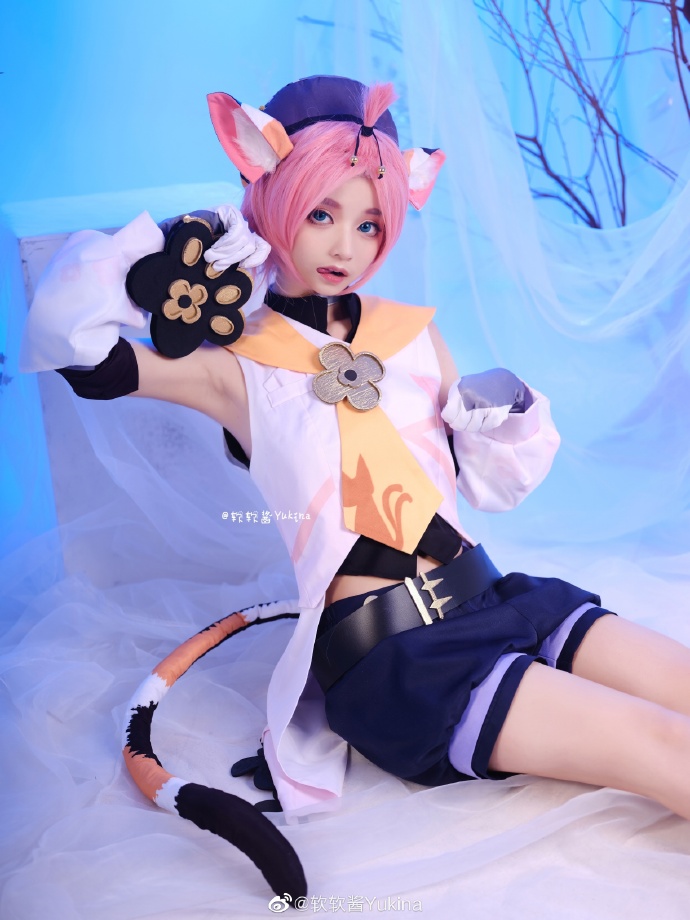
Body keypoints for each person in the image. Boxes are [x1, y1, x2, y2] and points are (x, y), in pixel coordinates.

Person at [21, 73, 690, 856]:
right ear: (271, 199)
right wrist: (167, 253)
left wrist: (500, 409)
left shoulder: (411, 334)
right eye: (321, 213)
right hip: (401, 658)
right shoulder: (236, 364)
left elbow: (489, 484)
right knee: (662, 746)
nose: (346, 247)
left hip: (496, 594)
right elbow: (80, 354)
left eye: (370, 223)